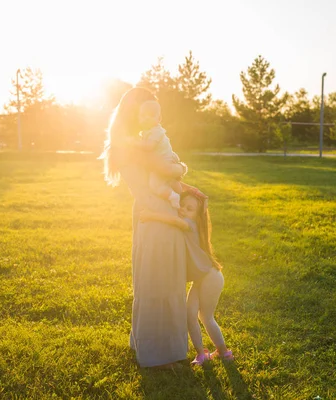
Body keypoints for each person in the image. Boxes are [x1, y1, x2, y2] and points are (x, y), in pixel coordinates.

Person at [101, 87, 204, 369]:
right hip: (157, 216)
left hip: (151, 212)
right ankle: (161, 353)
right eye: (147, 111)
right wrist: (181, 169)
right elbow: (169, 170)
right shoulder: (134, 146)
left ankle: (156, 346)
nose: (153, 117)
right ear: (135, 113)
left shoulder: (130, 142)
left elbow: (164, 172)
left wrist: (181, 180)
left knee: (156, 281)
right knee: (160, 282)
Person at [140, 192, 233, 366]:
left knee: (206, 317)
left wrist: (150, 215)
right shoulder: (187, 222)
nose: (183, 210)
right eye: (182, 205)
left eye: (189, 209)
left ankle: (224, 352)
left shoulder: (191, 224)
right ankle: (201, 354)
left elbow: (175, 221)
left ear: (197, 216)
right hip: (200, 278)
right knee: (190, 315)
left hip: (211, 276)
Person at [127, 99, 185, 209]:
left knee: (155, 185)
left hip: (164, 161)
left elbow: (149, 146)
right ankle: (178, 193)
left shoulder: (156, 131)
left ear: (159, 119)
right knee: (169, 180)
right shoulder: (147, 132)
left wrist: (133, 143)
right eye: (143, 116)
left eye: (151, 115)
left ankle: (173, 196)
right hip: (164, 159)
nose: (146, 118)